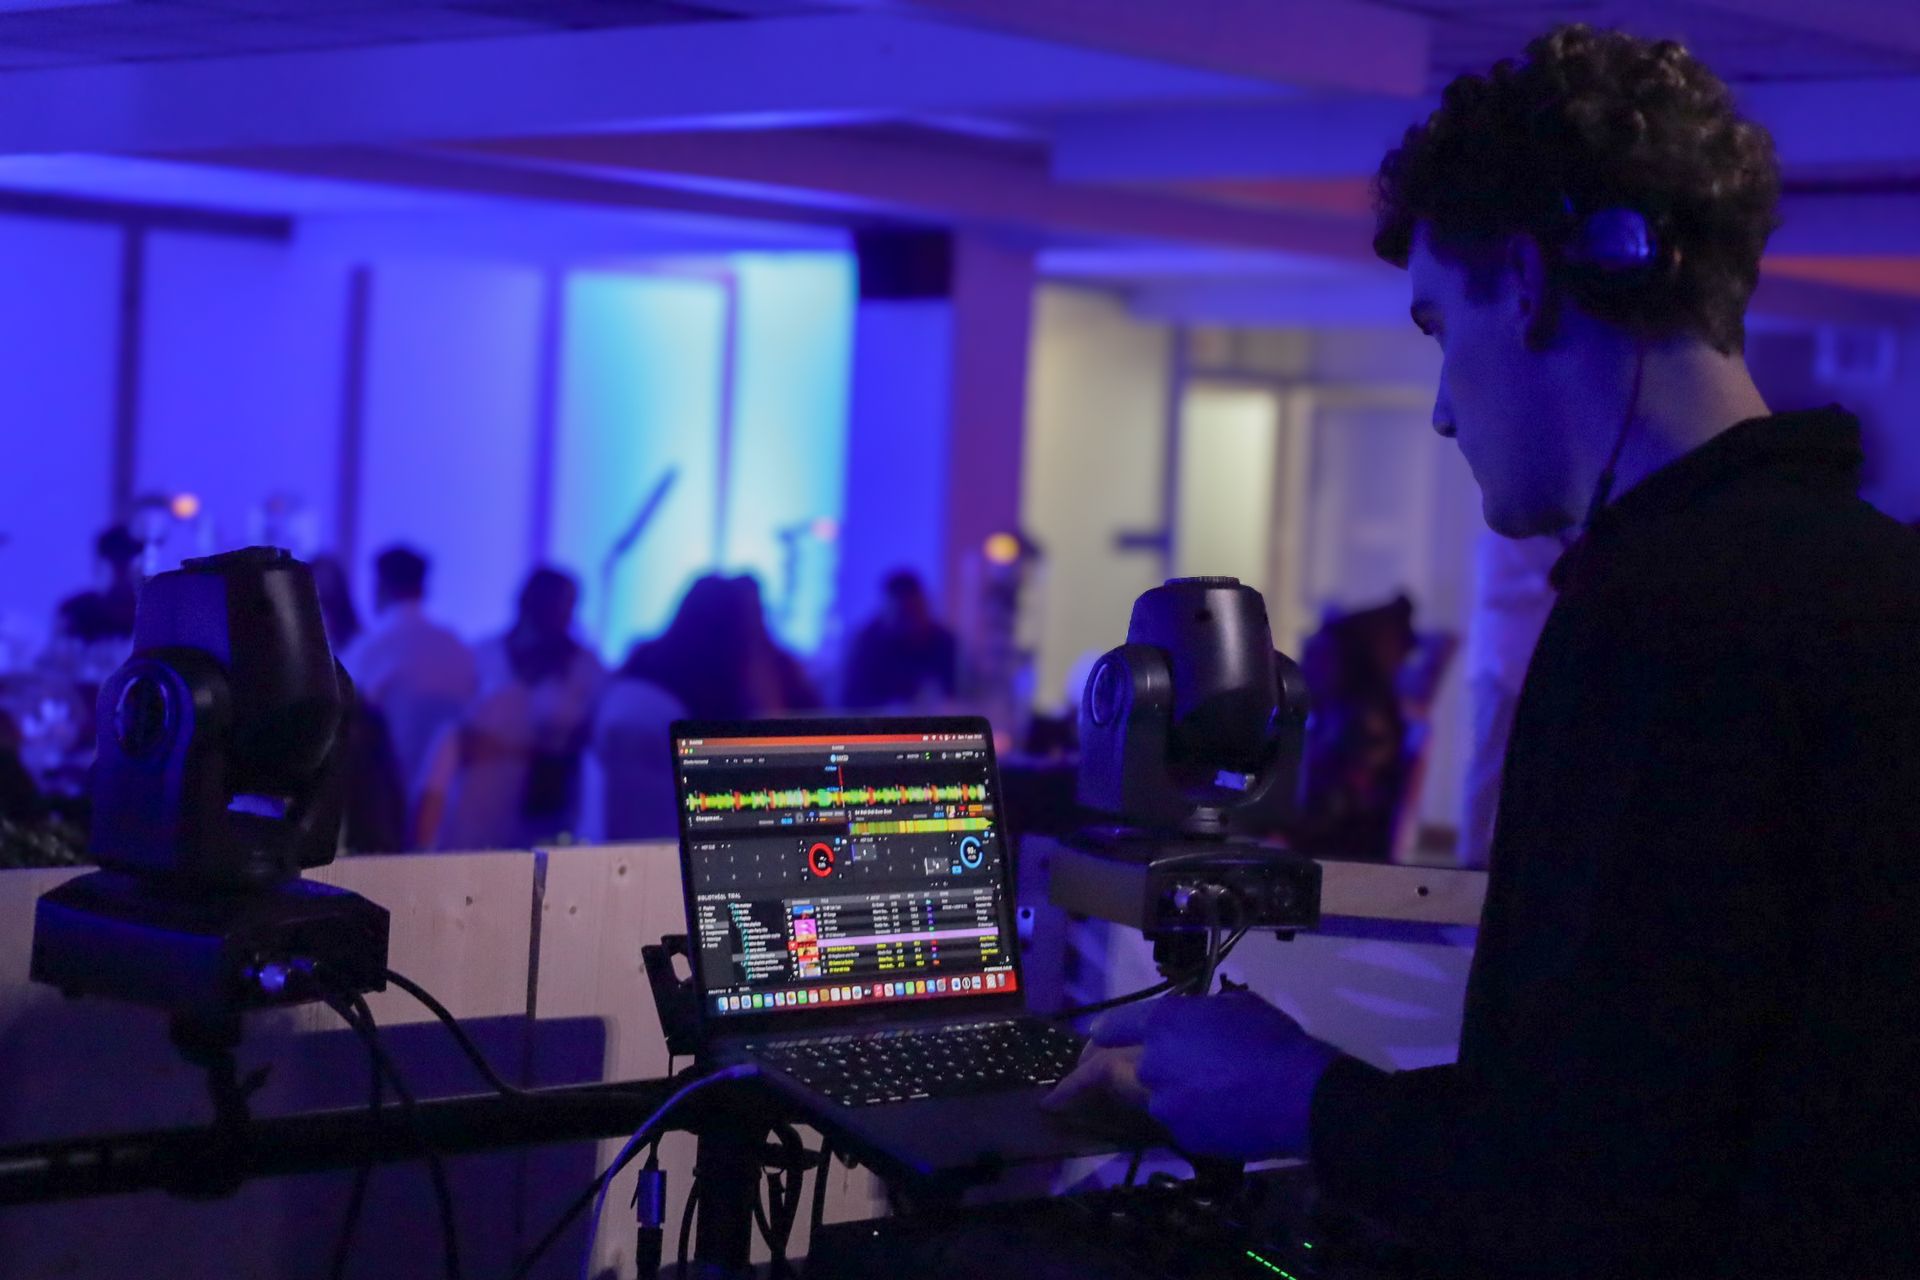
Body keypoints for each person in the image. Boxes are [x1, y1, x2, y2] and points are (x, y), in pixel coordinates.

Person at [1049, 26, 1920, 1279]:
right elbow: (1702, 1092)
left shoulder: (1662, 620)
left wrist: (1301, 1096)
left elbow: (1598, 1188)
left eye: (1437, 326)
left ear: (1525, 281)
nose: (1449, 405)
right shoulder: (1866, 583)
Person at [417, 566, 604, 850]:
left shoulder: (585, 668)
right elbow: (452, 735)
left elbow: (593, 739)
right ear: (527, 604)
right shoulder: (484, 656)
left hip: (548, 810)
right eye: (550, 606)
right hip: (475, 806)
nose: (558, 616)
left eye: (565, 608)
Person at [341, 545, 479, 808]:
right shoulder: (458, 648)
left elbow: (344, 709)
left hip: (386, 795)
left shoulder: (373, 647)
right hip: (450, 800)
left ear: (380, 586)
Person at [842, 569, 958, 709]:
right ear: (886, 608)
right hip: (878, 726)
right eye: (903, 613)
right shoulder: (866, 644)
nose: (909, 622)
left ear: (925, 605)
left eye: (914, 612)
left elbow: (959, 693)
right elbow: (850, 702)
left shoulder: (943, 641)